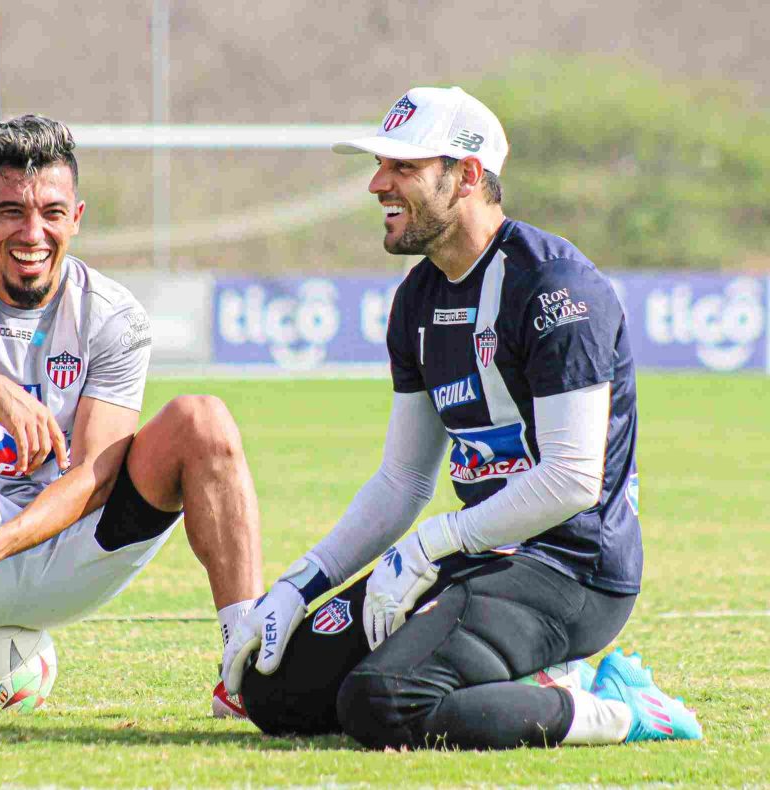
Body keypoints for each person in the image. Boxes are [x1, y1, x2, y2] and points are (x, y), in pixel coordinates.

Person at [222, 87, 702, 750]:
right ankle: (509, 673)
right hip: (477, 554)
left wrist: (428, 546)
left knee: (382, 703)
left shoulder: (556, 288)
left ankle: (615, 706)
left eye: (403, 168)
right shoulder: (415, 298)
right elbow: (401, 482)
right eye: (380, 165)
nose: (376, 184)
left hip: (572, 569)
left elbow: (570, 480)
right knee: (273, 692)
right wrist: (297, 584)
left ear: (468, 176)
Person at [0, 115, 263, 726]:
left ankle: (244, 669)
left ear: (78, 217)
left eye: (52, 212)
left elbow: (94, 474)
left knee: (204, 419)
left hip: (74, 550)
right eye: (11, 211)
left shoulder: (112, 314)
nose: (32, 232)